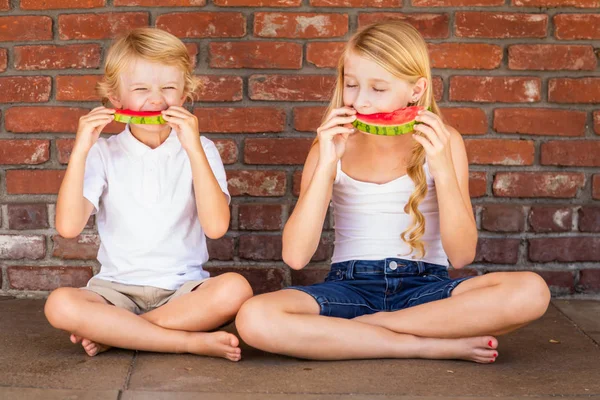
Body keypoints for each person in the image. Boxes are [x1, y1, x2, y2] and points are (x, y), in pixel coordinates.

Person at [235, 21, 550, 363]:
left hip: (426, 287)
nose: (361, 101)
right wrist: (327, 163)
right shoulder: (328, 147)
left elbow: (461, 256)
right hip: (350, 286)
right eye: (351, 84)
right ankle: (422, 344)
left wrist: (442, 169)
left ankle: (368, 329)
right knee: (254, 318)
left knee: (531, 292)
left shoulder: (445, 142)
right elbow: (295, 257)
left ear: (416, 90)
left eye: (378, 89)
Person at [44, 28, 252, 362]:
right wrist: (81, 150)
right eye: (141, 89)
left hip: (183, 292)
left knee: (235, 289)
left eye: (168, 88)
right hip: (114, 290)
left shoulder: (203, 149)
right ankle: (186, 342)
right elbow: (68, 227)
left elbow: (216, 227)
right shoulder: (102, 152)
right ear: (116, 99)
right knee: (59, 305)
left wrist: (193, 149)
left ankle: (119, 334)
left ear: (184, 95)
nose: (156, 99)